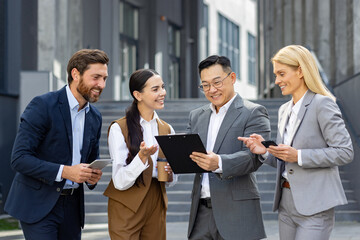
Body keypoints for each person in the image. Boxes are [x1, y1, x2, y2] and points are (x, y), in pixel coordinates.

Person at [238, 45, 354, 240]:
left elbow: (345, 151)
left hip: (316, 205)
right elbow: (286, 161)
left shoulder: (322, 104)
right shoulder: (284, 110)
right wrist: (265, 151)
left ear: (300, 70)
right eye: (276, 75)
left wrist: (298, 155)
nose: (277, 81)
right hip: (286, 203)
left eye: (282, 74)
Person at [4, 49, 109, 240]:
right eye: (96, 77)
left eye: (104, 78)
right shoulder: (43, 105)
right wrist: (65, 171)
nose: (101, 84)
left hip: (72, 208)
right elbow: (19, 158)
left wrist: (91, 175)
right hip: (38, 205)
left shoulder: (95, 117)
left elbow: (91, 158)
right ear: (76, 74)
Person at [187, 55, 271, 240]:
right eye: (205, 85)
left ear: (232, 78)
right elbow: (190, 155)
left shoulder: (253, 112)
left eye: (217, 82)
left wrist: (219, 162)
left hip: (237, 212)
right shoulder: (196, 116)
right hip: (201, 213)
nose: (212, 90)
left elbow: (253, 157)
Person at [103, 68, 177, 240]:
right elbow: (119, 181)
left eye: (163, 87)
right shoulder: (119, 128)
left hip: (156, 201)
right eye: (155, 89)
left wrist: (172, 171)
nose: (162, 93)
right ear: (138, 95)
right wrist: (141, 158)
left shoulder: (167, 129)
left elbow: (171, 181)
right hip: (127, 203)